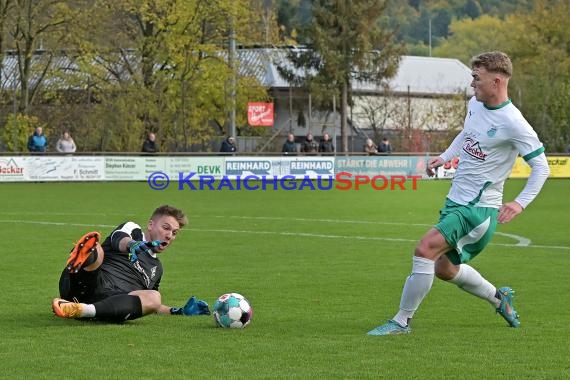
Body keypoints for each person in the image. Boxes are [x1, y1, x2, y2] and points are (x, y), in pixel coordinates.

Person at [367, 51, 550, 336]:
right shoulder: (475, 105)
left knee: (424, 249)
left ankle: (401, 322)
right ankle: (499, 300)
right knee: (443, 268)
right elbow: (466, 135)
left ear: (497, 81)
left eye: (477, 79)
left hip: (478, 210)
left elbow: (541, 167)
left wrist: (519, 203)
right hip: (456, 202)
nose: (472, 84)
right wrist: (445, 157)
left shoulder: (514, 123)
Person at [52, 205, 210, 322]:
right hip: (88, 283)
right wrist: (132, 245)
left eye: (174, 233)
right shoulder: (133, 230)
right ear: (150, 225)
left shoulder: (157, 268)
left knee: (154, 297)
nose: (169, 236)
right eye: (166, 228)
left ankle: (80, 310)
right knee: (96, 249)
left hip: (110, 302)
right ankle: (80, 260)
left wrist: (177, 311)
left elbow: (149, 304)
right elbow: (119, 238)